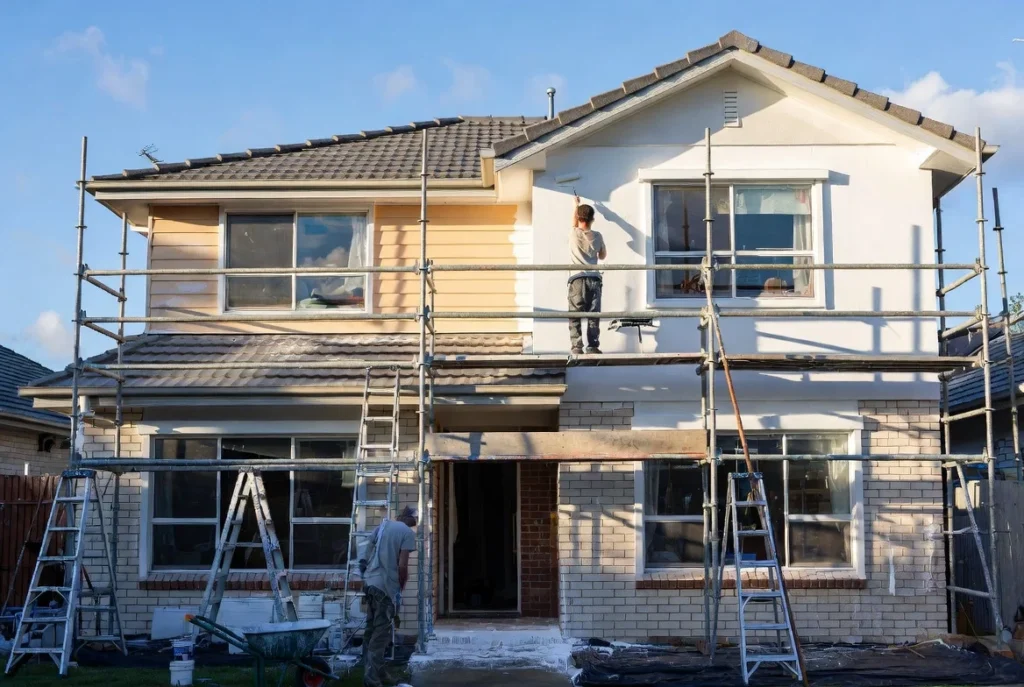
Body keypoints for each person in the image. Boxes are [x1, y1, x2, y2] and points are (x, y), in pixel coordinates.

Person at [360, 506, 417, 687]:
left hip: (370, 584)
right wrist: (400, 586)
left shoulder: (383, 526)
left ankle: (379, 674)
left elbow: (365, 555)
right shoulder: (407, 533)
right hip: (385, 588)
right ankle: (371, 680)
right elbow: (402, 566)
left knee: (371, 632)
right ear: (411, 521)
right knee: (381, 636)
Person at [568, 199, 607, 354]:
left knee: (575, 314)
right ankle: (593, 346)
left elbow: (574, 223)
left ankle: (577, 347)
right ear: (593, 220)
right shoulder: (598, 236)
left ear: (578, 218)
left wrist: (575, 205)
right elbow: (603, 256)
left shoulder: (573, 233)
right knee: (593, 314)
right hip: (594, 279)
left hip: (577, 279)